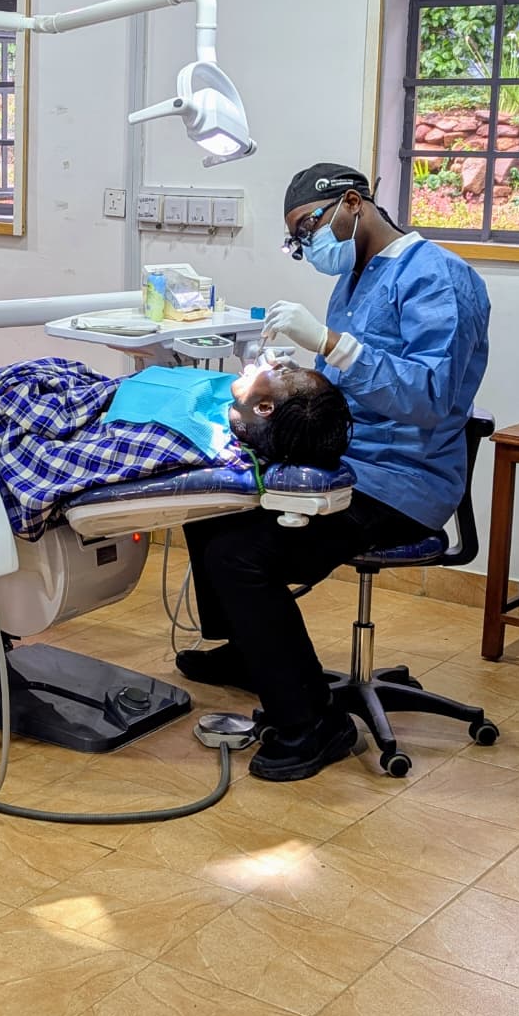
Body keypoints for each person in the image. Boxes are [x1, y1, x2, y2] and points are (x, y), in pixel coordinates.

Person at [177, 162, 490, 783]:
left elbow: (430, 397)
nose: (305, 246)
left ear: (352, 203)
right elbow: (348, 380)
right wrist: (286, 378)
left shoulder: (440, 279)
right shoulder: (354, 278)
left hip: (402, 480)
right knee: (211, 499)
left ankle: (314, 725)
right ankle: (252, 651)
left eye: (308, 228)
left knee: (240, 554)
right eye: (294, 239)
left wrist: (330, 344)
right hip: (347, 459)